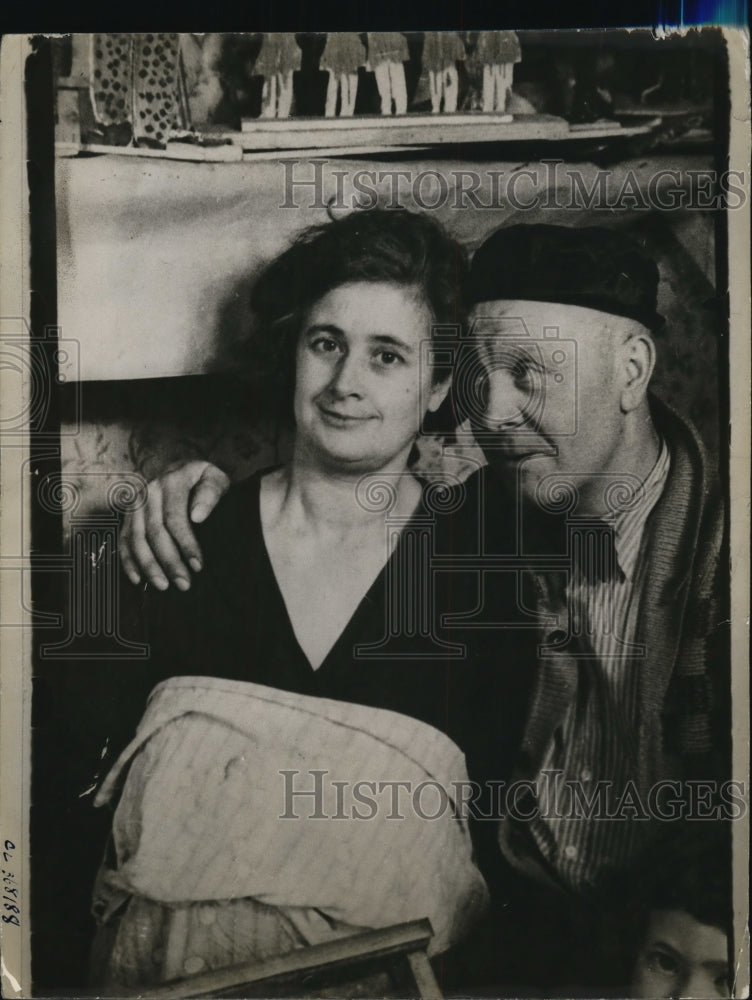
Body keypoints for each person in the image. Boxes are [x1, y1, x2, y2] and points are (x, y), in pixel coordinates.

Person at [119, 222, 729, 993]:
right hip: (517, 945)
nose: (495, 415)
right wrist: (185, 491)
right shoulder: (493, 521)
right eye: (482, 379)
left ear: (632, 371)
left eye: (529, 374)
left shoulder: (719, 561)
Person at [91, 209, 533, 992]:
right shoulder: (181, 545)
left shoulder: (483, 579)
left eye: (387, 356)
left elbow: (496, 854)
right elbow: (81, 823)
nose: (345, 384)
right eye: (325, 344)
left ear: (437, 388)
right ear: (292, 353)